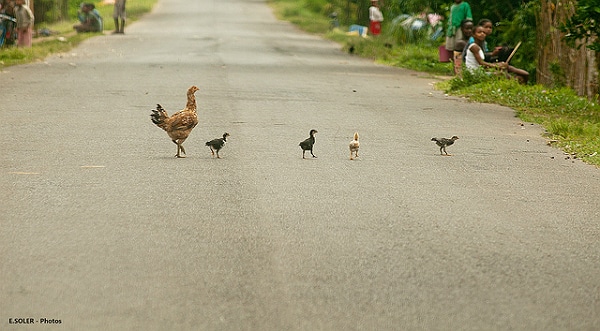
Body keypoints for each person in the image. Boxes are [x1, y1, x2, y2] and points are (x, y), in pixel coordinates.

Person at [445, 0, 472, 70]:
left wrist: (467, 27)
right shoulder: (453, 6)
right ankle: (454, 65)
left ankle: (462, 65)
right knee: (451, 47)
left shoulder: (465, 5)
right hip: (451, 29)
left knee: (460, 46)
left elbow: (469, 17)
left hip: (460, 28)